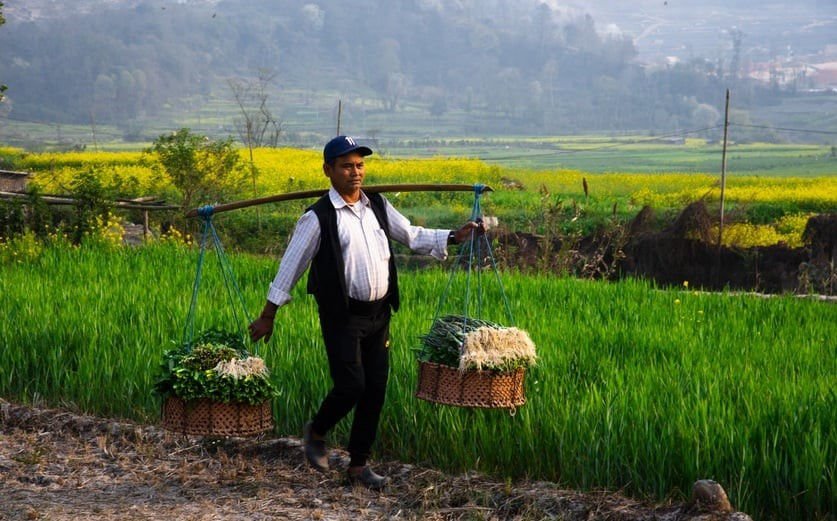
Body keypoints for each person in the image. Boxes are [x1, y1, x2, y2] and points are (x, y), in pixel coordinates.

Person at [248, 135, 481, 490]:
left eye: (359, 165)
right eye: (346, 166)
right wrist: (268, 314)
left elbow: (413, 235)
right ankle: (318, 429)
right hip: (342, 315)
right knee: (351, 385)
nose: (355, 173)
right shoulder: (318, 218)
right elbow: (290, 266)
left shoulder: (379, 206)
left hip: (379, 314)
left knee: (375, 390)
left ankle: (358, 467)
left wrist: (453, 236)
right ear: (328, 171)